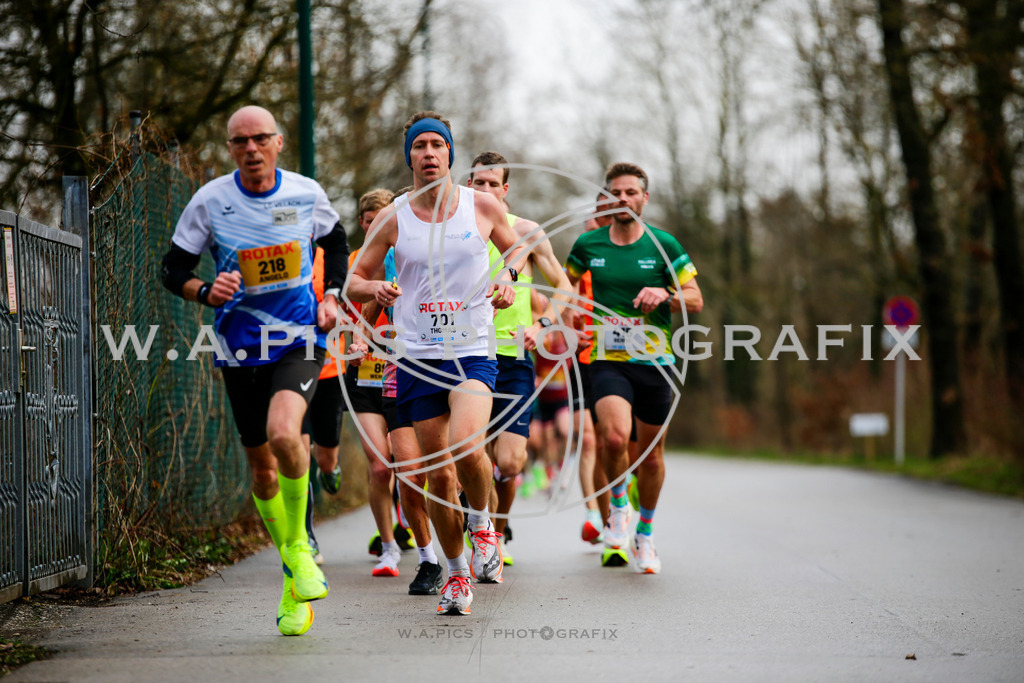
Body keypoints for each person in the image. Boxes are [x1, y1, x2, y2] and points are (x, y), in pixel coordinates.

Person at [160, 105, 349, 635]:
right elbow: (172, 268)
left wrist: (331, 295)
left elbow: (335, 242)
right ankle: (294, 571)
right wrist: (203, 289)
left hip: (297, 341)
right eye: (240, 141)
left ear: (278, 142)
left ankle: (302, 546)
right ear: (230, 148)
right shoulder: (211, 200)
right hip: (238, 348)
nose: (250, 149)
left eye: (259, 138)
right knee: (262, 471)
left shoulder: (306, 192)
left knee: (285, 433)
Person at [347, 111, 524, 615]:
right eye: (419, 145)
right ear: (409, 157)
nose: (428, 153)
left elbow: (518, 249)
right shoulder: (392, 217)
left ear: (450, 153)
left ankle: (482, 524)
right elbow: (353, 280)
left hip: (471, 349)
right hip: (418, 357)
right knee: (438, 476)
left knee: (469, 447)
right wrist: (373, 287)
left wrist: (508, 276)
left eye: (437, 145)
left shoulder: (481, 204)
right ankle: (455, 575)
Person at [564, 162, 703, 574]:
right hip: (609, 360)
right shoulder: (588, 244)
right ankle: (619, 510)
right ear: (607, 198)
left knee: (652, 458)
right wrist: (571, 318)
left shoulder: (664, 245)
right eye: (615, 193)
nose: (622, 199)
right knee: (613, 437)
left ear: (644, 198)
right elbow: (564, 286)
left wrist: (665, 294)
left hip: (656, 362)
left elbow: (695, 299)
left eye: (631, 192)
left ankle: (645, 533)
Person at [467, 151, 575, 567]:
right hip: (465, 356)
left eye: (494, 184)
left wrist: (542, 324)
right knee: (473, 452)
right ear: (468, 186)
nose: (486, 190)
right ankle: (482, 532)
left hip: (513, 358)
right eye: (479, 183)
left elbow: (564, 286)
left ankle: (496, 529)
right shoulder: (454, 231)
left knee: (509, 460)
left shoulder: (527, 233)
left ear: (505, 189)